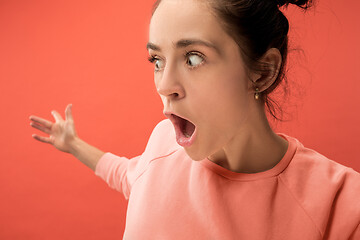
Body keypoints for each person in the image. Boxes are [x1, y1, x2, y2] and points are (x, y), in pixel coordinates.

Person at [29, 0, 360, 239]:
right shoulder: (162, 142)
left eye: (193, 57)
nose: (164, 85)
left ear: (263, 72)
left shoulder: (340, 204)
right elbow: (130, 175)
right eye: (157, 59)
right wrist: (72, 144)